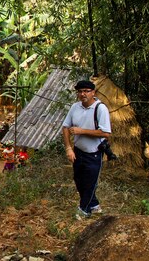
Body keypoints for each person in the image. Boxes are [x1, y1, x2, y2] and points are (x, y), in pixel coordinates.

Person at [62, 80, 111, 220]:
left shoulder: (100, 108)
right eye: (80, 91)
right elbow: (65, 127)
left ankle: (84, 210)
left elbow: (106, 133)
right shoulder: (75, 107)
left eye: (86, 91)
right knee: (78, 180)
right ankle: (94, 205)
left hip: (94, 152)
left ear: (93, 93)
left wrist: (81, 131)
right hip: (78, 150)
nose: (83, 94)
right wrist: (68, 148)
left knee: (90, 182)